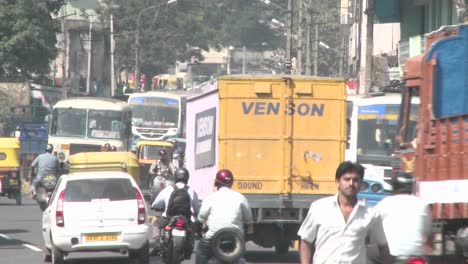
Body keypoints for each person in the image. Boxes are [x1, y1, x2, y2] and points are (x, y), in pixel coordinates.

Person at [298, 161, 391, 264]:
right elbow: (306, 241)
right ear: (338, 181)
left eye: (355, 180)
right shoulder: (319, 208)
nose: (351, 183)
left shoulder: (370, 213)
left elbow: (383, 246)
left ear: (361, 184)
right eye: (346, 179)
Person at [196, 169, 254, 264]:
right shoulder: (240, 198)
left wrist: (199, 230)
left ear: (217, 182)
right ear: (231, 182)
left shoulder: (211, 198)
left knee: (201, 252)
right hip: (236, 239)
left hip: (213, 236)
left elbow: (201, 217)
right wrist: (245, 236)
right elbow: (249, 221)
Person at [371, 194, 433, 263]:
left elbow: (372, 224)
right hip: (415, 256)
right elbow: (427, 233)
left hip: (390, 255)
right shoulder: (421, 203)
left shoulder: (384, 203)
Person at [151, 168, 200, 254]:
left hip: (168, 218)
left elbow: (156, 203)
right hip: (186, 219)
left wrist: (156, 207)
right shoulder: (191, 191)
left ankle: (157, 243)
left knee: (156, 224)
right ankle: (189, 245)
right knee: (193, 228)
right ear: (187, 178)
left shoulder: (168, 189)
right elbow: (196, 209)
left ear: (175, 177)